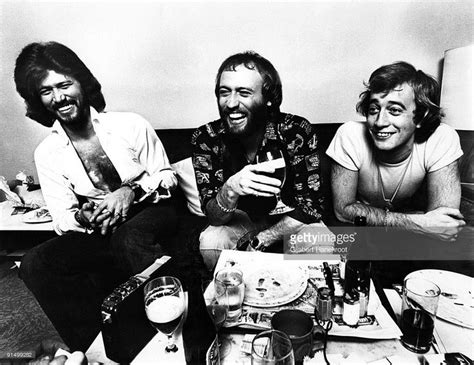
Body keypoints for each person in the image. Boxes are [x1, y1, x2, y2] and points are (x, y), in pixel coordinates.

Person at [14, 41, 178, 350]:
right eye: (46, 91)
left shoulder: (130, 124)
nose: (58, 97)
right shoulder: (47, 153)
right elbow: (62, 220)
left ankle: (178, 323)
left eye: (64, 84)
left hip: (151, 212)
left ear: (82, 82)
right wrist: (82, 215)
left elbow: (168, 177)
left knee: (128, 237)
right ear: (38, 99)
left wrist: (130, 190)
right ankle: (95, 346)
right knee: (34, 262)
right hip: (100, 229)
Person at [191, 51, 327, 270]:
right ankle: (228, 299)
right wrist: (230, 189)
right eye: (224, 92)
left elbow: (311, 208)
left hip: (291, 222)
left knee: (321, 241)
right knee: (212, 240)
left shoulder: (296, 131)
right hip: (241, 221)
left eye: (244, 93)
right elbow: (214, 217)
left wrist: (264, 238)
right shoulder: (206, 138)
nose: (231, 103)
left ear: (269, 99)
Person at [327, 61, 465, 241]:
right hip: (362, 237)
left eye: (394, 110)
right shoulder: (350, 134)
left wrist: (368, 213)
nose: (379, 122)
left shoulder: (442, 137)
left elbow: (444, 224)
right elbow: (343, 211)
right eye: (374, 109)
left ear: (421, 117)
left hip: (412, 244)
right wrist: (415, 221)